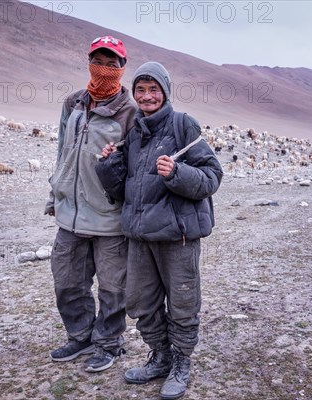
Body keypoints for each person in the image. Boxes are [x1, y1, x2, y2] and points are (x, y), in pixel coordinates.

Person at [96, 61, 222, 399]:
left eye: (153, 89)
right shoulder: (134, 132)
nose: (147, 96)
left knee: (182, 302)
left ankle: (181, 362)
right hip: (139, 237)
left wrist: (177, 173)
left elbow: (212, 176)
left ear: (165, 91)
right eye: (141, 90)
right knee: (141, 302)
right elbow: (124, 190)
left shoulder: (182, 125)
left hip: (177, 236)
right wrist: (108, 166)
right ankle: (160, 357)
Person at [44, 35, 137, 373]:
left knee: (113, 288)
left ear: (123, 68)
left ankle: (109, 343)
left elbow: (136, 166)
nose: (105, 69)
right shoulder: (73, 103)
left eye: (113, 64)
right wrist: (54, 193)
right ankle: (80, 335)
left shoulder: (131, 112)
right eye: (99, 61)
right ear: (89, 63)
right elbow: (62, 153)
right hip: (70, 214)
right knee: (67, 281)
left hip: (110, 218)